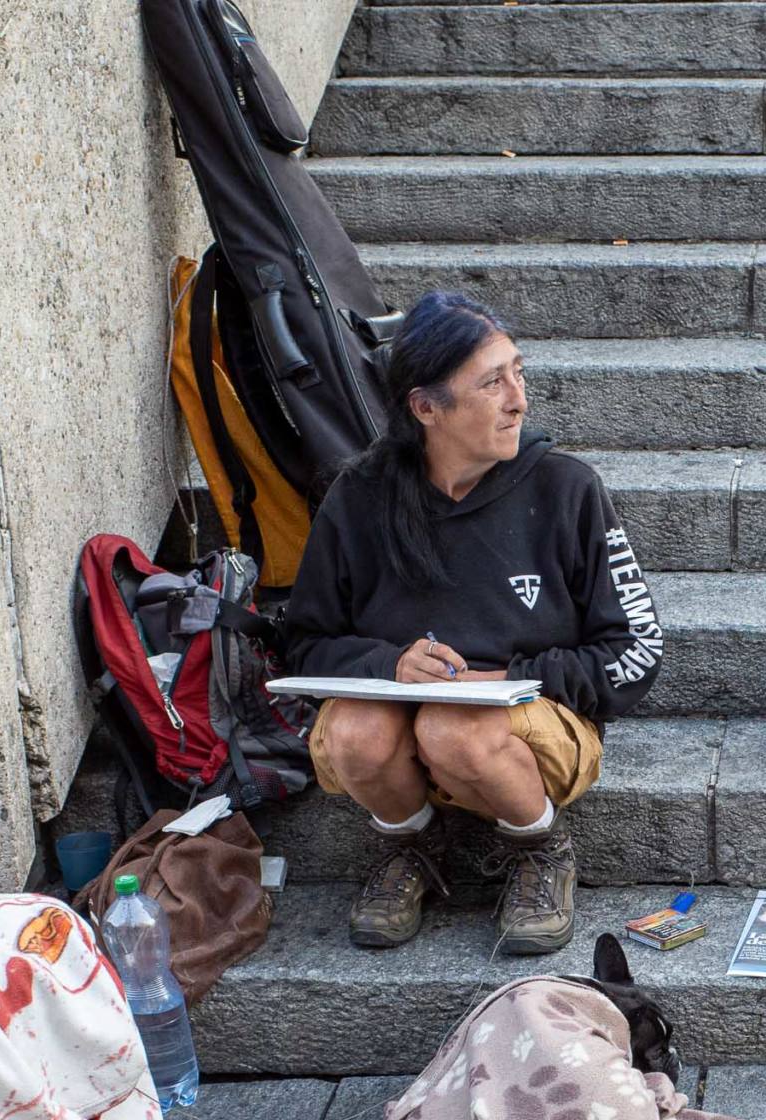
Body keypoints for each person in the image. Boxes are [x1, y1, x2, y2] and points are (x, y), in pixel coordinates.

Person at [284, 291, 664, 955]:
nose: (518, 399)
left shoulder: (567, 490)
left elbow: (637, 649)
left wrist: (512, 678)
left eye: (518, 372)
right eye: (492, 382)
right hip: (402, 732)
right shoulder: (360, 495)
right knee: (352, 730)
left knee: (452, 725)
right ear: (425, 407)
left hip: (527, 727)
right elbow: (303, 641)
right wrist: (388, 666)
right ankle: (411, 845)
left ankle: (543, 850)